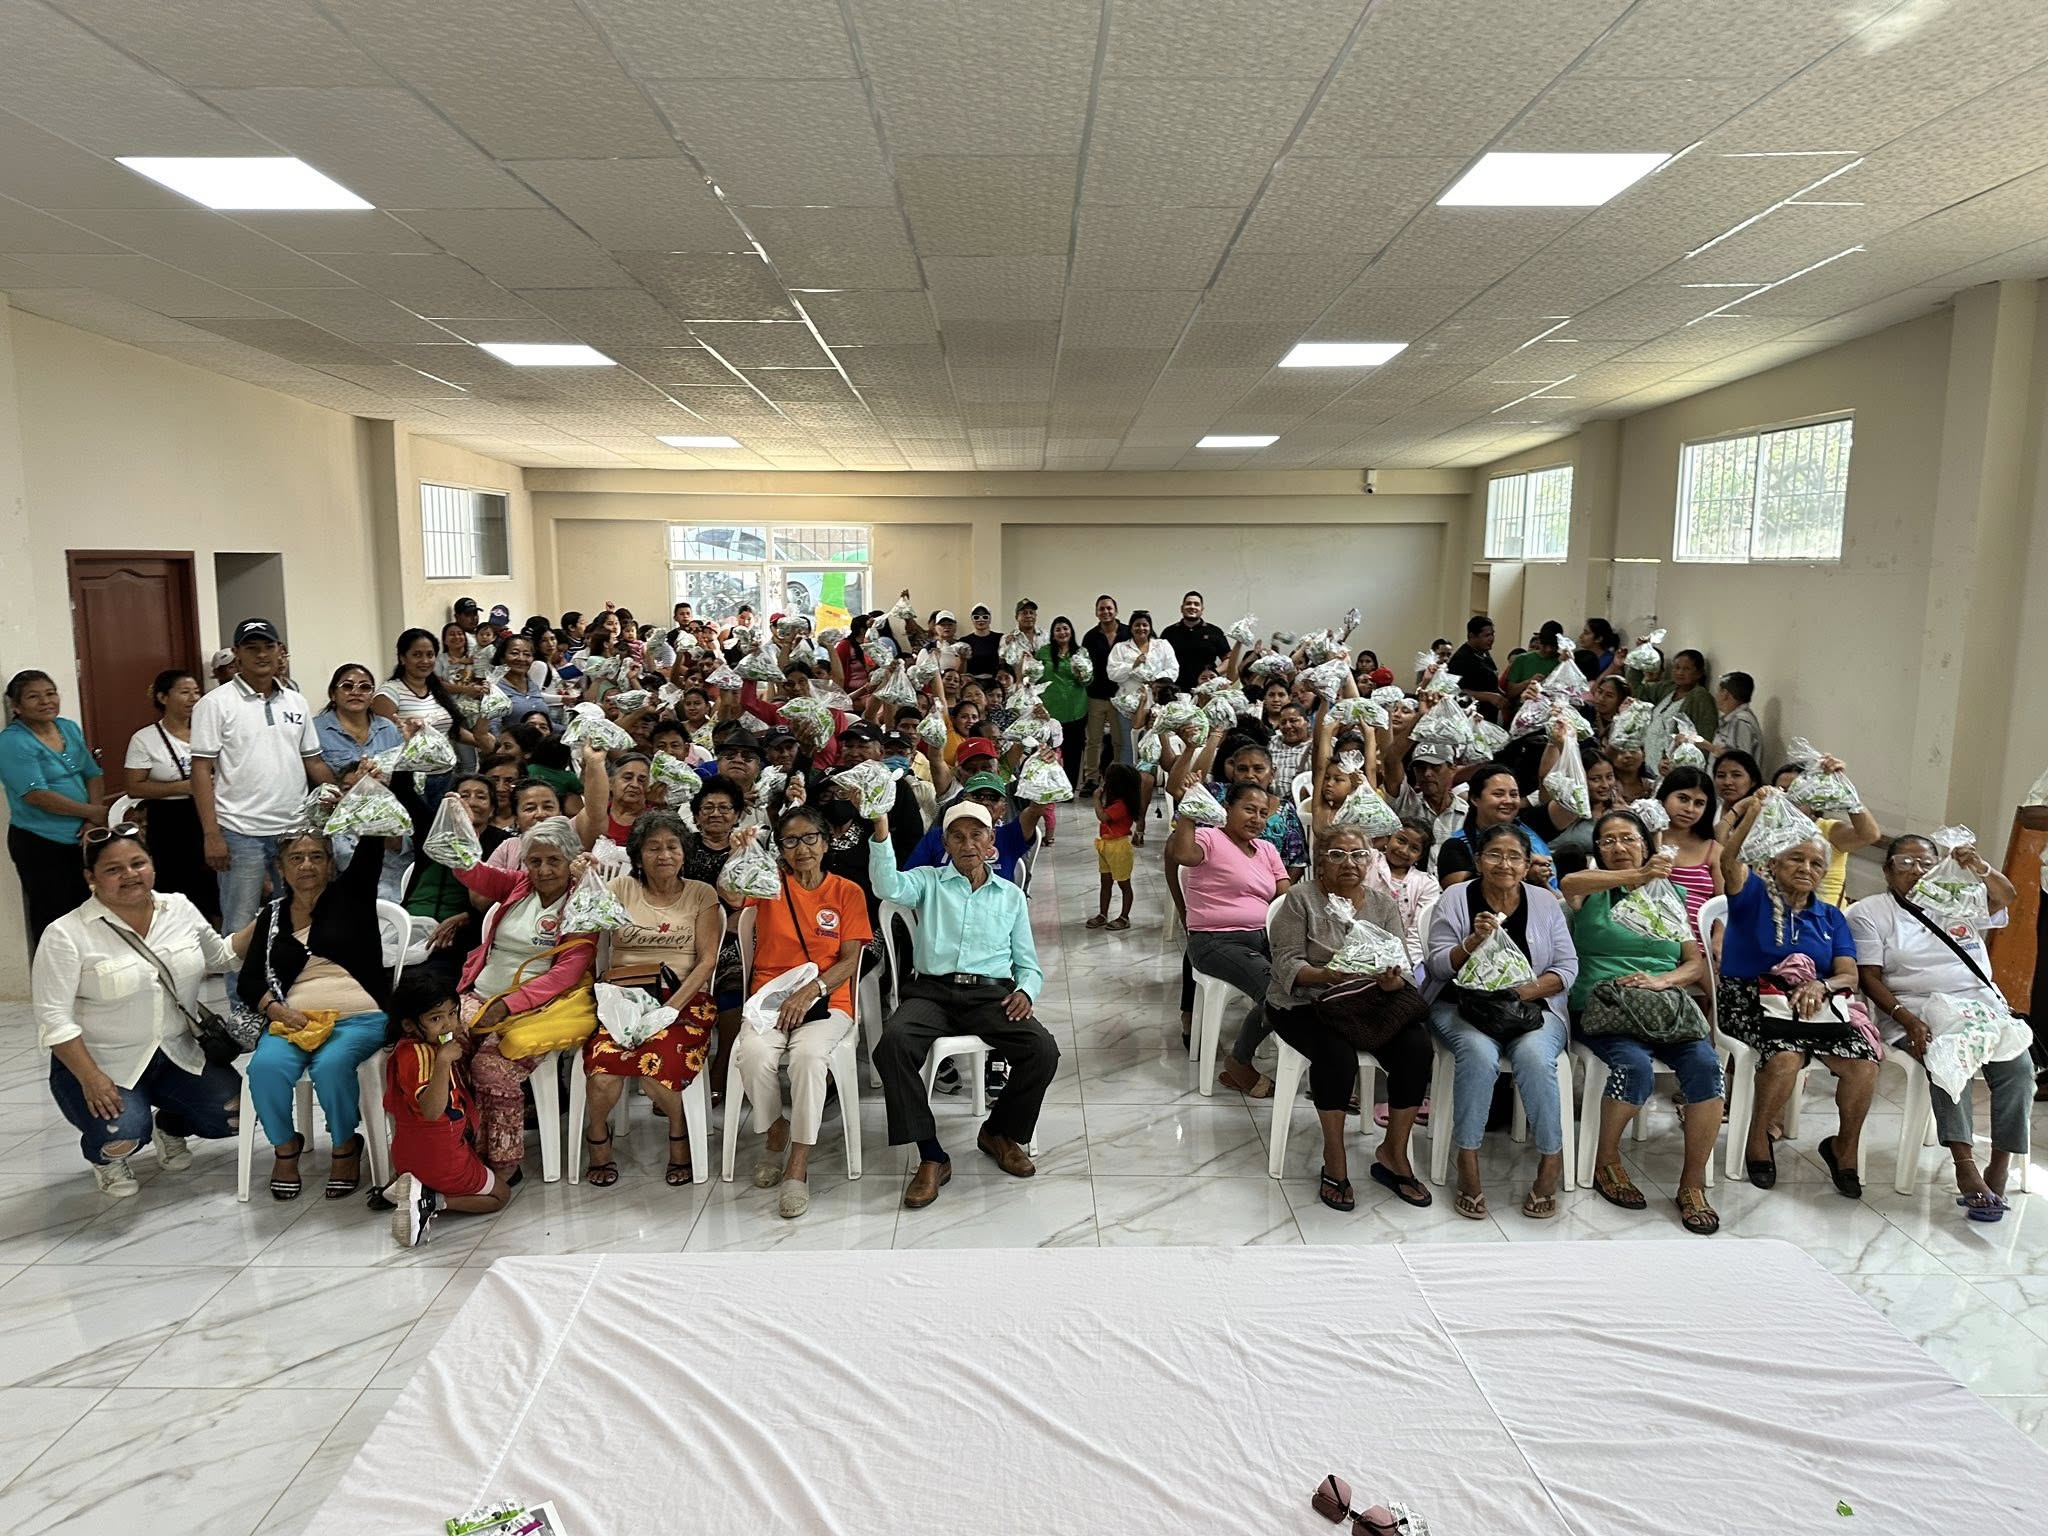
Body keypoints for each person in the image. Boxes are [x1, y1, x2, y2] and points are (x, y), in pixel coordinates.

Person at [32, 824, 242, 1196]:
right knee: (124, 1134)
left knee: (235, 1115)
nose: (130, 874)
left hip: (178, 1053)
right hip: (104, 1064)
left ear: (152, 865)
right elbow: (54, 1019)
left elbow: (222, 957)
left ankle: (170, 1126)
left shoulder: (179, 907)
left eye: (137, 863)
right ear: (91, 877)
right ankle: (107, 1159)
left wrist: (275, 915)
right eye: (113, 869)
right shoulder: (66, 933)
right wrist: (91, 1078)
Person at [868, 800, 1055, 1208]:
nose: (967, 844)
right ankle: (931, 1154)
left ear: (990, 841)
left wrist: (1026, 991)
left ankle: (999, 1132)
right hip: (932, 992)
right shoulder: (928, 882)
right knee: (893, 1044)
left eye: (976, 835)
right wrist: (881, 828)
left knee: (1042, 1050)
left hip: (989, 994)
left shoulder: (1010, 896)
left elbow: (1028, 965)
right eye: (957, 836)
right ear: (945, 843)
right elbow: (887, 887)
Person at [1849, 834, 2029, 1217]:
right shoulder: (1871, 911)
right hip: (1917, 1011)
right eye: (1905, 863)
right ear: (1887, 870)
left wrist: (1979, 867)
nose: (1917, 871)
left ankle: (1999, 1165)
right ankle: (1965, 1166)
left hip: (1978, 1008)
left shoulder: (1956, 898)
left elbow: (2007, 896)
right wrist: (1907, 1018)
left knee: (2019, 1066)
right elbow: (1870, 978)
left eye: (1926, 864)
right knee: (1948, 1057)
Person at [1563, 809, 1724, 1232]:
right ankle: (1606, 1160)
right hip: (1604, 1006)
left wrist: (1662, 980)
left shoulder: (1670, 894)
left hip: (1662, 1006)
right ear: (1599, 850)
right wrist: (1637, 876)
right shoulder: (1592, 889)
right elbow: (1569, 883)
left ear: (1646, 844)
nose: (1619, 847)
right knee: (1633, 1067)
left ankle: (1692, 1183)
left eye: (1628, 839)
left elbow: (1694, 963)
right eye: (1608, 841)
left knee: (1707, 1067)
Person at [1716, 787, 1876, 1196]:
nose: (1807, 868)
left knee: (1863, 1064)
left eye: (1816, 863)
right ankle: (1758, 1136)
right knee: (1786, 1058)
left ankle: (1843, 1148)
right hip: (1750, 1000)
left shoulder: (1830, 916)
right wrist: (1752, 812)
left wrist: (1822, 984)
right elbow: (1728, 860)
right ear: (1774, 862)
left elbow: (1849, 975)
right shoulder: (1753, 894)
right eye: (1796, 859)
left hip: (1812, 1006)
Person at [1267, 824, 1433, 1212]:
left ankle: (1393, 1152)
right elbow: (1285, 963)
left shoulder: (1382, 905)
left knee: (1417, 1047)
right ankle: (1334, 1154)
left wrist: (1392, 981)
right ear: (1320, 861)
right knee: (1335, 1054)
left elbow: (1401, 965)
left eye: (1358, 855)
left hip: (1368, 1002)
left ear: (1370, 861)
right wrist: (1327, 975)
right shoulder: (1300, 900)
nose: (1349, 863)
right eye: (1337, 855)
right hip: (1305, 1002)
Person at [1424, 822, 1577, 1220]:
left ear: (1527, 865)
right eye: (1494, 854)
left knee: (1534, 1057)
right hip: (1462, 1006)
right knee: (1477, 1053)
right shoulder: (1456, 897)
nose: (1504, 864)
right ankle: (1468, 1157)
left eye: (1514, 857)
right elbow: (1437, 966)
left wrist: (1520, 993)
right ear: (1478, 861)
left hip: (1534, 1007)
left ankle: (1551, 1159)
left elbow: (1567, 968)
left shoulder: (1544, 902)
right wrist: (1471, 942)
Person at [233, 826, 393, 1201]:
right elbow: (249, 980)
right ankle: (285, 1147)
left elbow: (373, 842)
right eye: (296, 858)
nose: (307, 865)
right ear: (281, 867)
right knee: (264, 1068)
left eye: (316, 857)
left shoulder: (352, 895)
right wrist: (276, 1010)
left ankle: (345, 1145)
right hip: (293, 1021)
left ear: (331, 864)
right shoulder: (272, 916)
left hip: (360, 1017)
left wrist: (353, 802)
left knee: (331, 1065)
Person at [729, 806, 871, 1218]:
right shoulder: (768, 883)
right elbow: (732, 896)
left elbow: (850, 960)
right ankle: (777, 1130)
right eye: (790, 841)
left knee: (808, 1058)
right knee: (754, 1054)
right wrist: (739, 854)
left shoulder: (847, 891)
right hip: (769, 997)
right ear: (780, 848)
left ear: (826, 843)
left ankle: (798, 1162)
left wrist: (812, 990)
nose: (802, 848)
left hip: (827, 999)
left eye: (810, 838)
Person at [450, 816, 600, 1179]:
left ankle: (502, 1164)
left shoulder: (582, 903)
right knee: (445, 1051)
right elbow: (472, 873)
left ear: (570, 860)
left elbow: (564, 974)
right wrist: (455, 833)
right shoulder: (518, 884)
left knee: (491, 1068)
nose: (544, 870)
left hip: (539, 1009)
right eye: (535, 861)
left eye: (554, 860)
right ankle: (457, 1150)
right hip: (480, 995)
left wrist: (507, 1005)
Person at [582, 808, 720, 1190]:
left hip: (683, 999)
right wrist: (585, 880)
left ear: (684, 852)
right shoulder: (620, 889)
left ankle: (678, 1131)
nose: (664, 855)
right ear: (638, 855)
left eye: (673, 846)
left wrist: (672, 1007)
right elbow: (587, 927)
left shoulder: (701, 894)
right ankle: (597, 1134)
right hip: (623, 1000)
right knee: (603, 1072)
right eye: (653, 847)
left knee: (657, 1064)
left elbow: (707, 960)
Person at [190, 618, 335, 942]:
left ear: (280, 651)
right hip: (240, 832)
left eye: (268, 647)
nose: (261, 655)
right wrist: (211, 834)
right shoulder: (214, 704)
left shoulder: (295, 701)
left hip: (294, 830)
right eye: (252, 648)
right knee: (240, 924)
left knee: (302, 913)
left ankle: (296, 973)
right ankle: (240, 980)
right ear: (237, 654)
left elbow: (312, 761)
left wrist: (343, 794)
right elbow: (200, 770)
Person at [1171, 780, 1292, 1097]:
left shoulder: (1267, 850)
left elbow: (1285, 898)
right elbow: (1181, 854)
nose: (1257, 819)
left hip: (1263, 939)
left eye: (1263, 813)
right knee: (1278, 993)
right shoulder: (1209, 838)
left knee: (1304, 983)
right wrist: (1189, 810)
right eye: (1249, 809)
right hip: (1216, 941)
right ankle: (1239, 1062)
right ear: (1227, 808)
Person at [383, 971, 516, 1248]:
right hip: (440, 1158)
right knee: (500, 1196)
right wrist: (443, 1062)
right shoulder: (423, 1055)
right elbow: (432, 1112)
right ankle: (432, 1201)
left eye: (453, 1014)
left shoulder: (411, 1049)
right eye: (436, 1019)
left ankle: (411, 1186)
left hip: (407, 1154)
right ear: (409, 1025)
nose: (449, 1025)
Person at [1, 670, 105, 952]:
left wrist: (91, 820)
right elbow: (36, 795)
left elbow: (92, 773)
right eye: (33, 697)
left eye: (50, 693)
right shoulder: (12, 741)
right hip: (40, 842)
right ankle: (56, 975)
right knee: (54, 918)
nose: (46, 701)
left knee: (89, 910)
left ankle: (91, 971)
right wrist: (92, 811)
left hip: (83, 837)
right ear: (16, 706)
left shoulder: (67, 727)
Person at [121, 669, 217, 925]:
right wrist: (184, 787)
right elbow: (135, 787)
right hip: (170, 821)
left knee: (213, 887)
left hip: (213, 814)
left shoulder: (209, 731)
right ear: (163, 697)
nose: (193, 698)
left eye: (196, 692)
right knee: (178, 887)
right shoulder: (145, 739)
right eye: (184, 692)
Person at [1433, 763, 1558, 890]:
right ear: (1475, 799)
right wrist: (1522, 870)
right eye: (1498, 794)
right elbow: (1458, 893)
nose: (1508, 800)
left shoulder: (1532, 824)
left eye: (1514, 795)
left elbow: (1567, 806)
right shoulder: (1456, 846)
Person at [1654, 765, 1723, 928]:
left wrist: (1719, 937)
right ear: (1665, 796)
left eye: (1699, 803)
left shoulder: (1714, 850)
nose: (1689, 809)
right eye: (1683, 799)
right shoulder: (1642, 841)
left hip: (1702, 940)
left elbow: (1723, 904)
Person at [1079, 595, 1131, 791]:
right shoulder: (1090, 637)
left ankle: (1116, 778)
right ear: (1096, 612)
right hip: (1096, 696)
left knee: (1119, 741)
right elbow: (1084, 665)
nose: (1106, 612)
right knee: (1093, 740)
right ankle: (1091, 778)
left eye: (1109, 608)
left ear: (1116, 611)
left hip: (1121, 696)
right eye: (1101, 609)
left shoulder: (1127, 632)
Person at [1639, 648, 1720, 771]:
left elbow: (1705, 738)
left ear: (1699, 673)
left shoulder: (1701, 697)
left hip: (1671, 769)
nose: (1680, 672)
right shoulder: (1668, 689)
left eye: (1686, 669)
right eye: (1676, 667)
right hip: (1649, 763)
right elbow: (1638, 692)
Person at [1379, 819, 1441, 965]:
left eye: (1414, 848)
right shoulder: (1368, 862)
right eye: (1401, 841)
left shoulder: (1427, 884)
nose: (1403, 851)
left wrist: (1405, 965)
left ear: (1420, 856)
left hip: (1402, 957)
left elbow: (1417, 933)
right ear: (1388, 838)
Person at [1089, 763, 1143, 931]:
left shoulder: (1121, 805)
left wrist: (1096, 799)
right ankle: (1103, 914)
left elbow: (1103, 817)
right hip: (1106, 845)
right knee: (1105, 881)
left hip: (1119, 847)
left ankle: (1124, 917)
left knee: (1124, 883)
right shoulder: (1116, 802)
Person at [1037, 615, 1090, 789]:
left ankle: (1068, 788)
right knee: (1049, 750)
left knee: (1073, 751)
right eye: (1058, 629)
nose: (1062, 632)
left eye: (1065, 628)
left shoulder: (1080, 653)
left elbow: (1088, 680)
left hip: (1076, 709)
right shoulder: (1043, 652)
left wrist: (1081, 675)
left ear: (1071, 631)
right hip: (1050, 710)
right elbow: (1033, 676)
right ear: (1053, 634)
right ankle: (1050, 788)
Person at [1164, 590, 1229, 691]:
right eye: (1188, 603)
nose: (1192, 606)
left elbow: (1228, 659)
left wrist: (1214, 673)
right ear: (1181, 608)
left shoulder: (1214, 631)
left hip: (1207, 688)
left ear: (1202, 609)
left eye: (1196, 604)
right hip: (1176, 688)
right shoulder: (1169, 632)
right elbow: (1160, 661)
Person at [1445, 615, 1506, 720]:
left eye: (1492, 634)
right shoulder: (1462, 659)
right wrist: (1488, 696)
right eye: (1486, 635)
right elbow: (1455, 691)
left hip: (1490, 715)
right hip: (1471, 716)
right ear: (1472, 636)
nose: (1491, 639)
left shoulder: (1484, 652)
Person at [1711, 750, 1765, 842]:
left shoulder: (1763, 814)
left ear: (1753, 781)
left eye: (1736, 775)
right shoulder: (1708, 809)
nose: (1727, 782)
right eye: (1721, 776)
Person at [1712, 671, 1763, 762]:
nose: (1716, 695)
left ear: (1725, 694)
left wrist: (1706, 746)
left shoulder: (1741, 722)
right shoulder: (1733, 719)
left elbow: (1741, 761)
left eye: (1718, 691)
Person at [961, 604, 1002, 684]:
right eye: (976, 617)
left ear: (990, 619)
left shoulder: (1000, 638)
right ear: (972, 620)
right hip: (973, 683)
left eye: (985, 617)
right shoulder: (964, 641)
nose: (981, 620)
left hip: (995, 682)